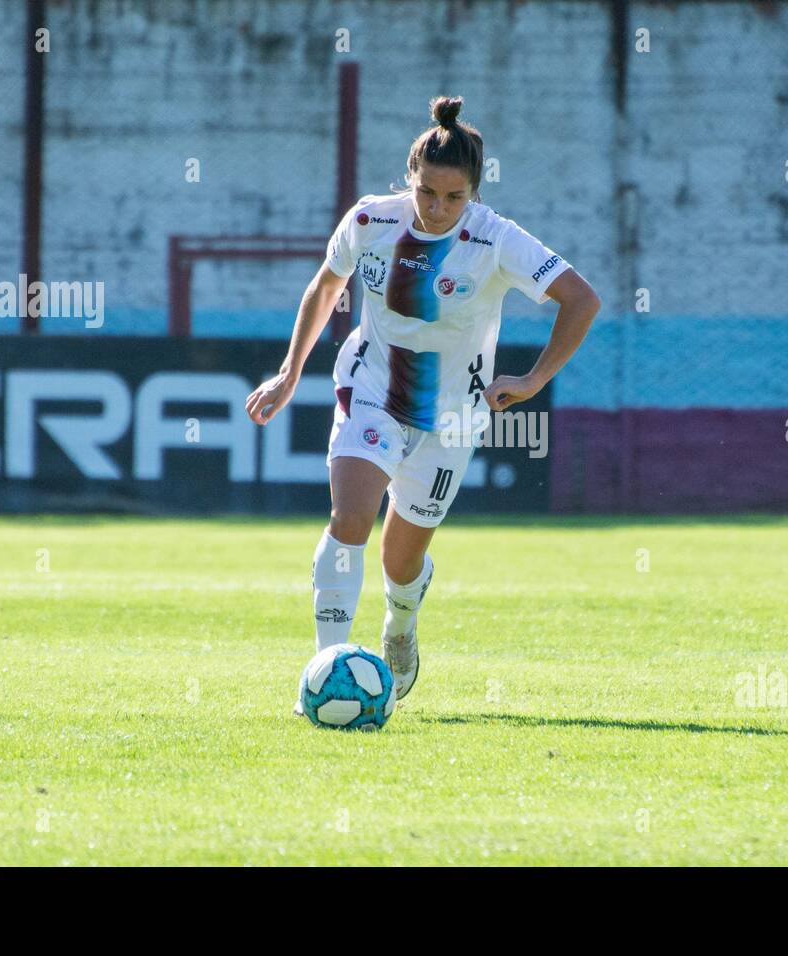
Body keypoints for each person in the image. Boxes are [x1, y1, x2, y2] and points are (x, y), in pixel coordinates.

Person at [245, 95, 600, 711]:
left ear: (475, 193)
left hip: (452, 418)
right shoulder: (369, 222)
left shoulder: (497, 239)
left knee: (400, 559)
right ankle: (324, 670)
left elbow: (582, 299)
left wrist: (536, 377)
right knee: (350, 520)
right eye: (426, 193)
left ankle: (402, 621)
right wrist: (287, 373)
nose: (437, 208)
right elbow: (326, 286)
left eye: (453, 197)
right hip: (371, 390)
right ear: (409, 179)